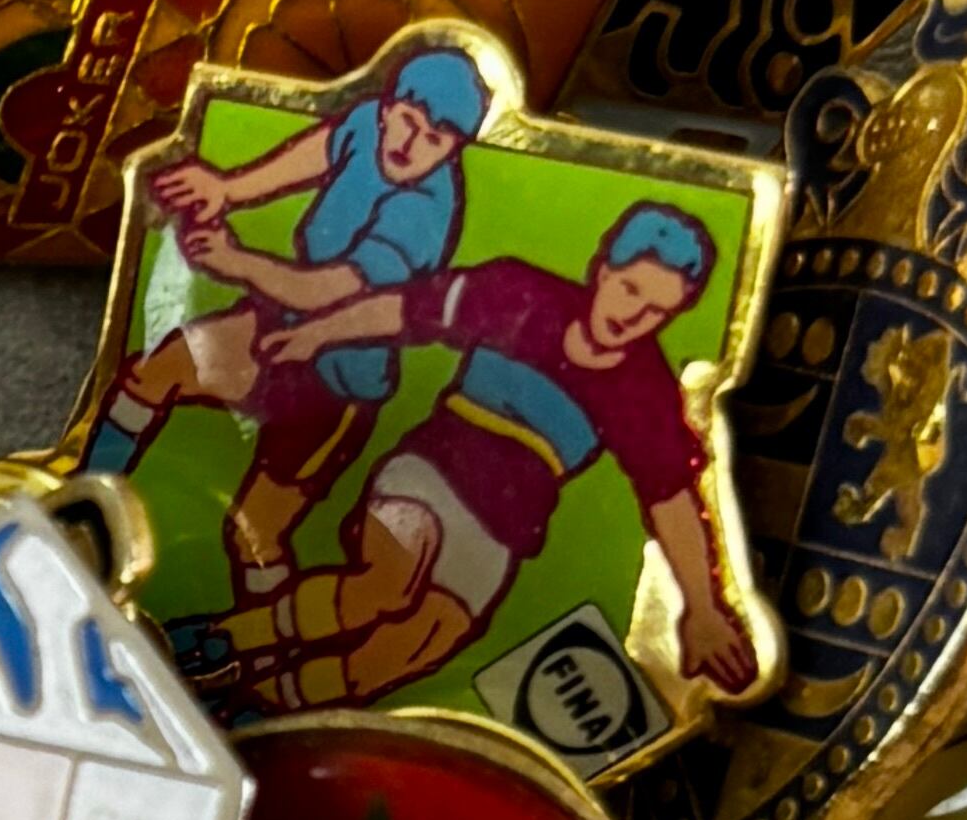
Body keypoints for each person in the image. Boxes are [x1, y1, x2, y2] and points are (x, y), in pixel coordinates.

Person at [209, 203, 759, 714]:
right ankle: (222, 643)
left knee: (413, 647)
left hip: (505, 524)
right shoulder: (521, 295)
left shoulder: (644, 391)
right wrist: (317, 334)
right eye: (630, 288)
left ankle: (270, 705)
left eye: (656, 309)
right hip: (433, 471)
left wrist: (703, 608)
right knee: (387, 583)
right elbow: (405, 310)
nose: (632, 314)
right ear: (604, 269)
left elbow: (670, 499)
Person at [84, 44, 488, 575]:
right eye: (408, 122)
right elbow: (321, 149)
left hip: (337, 385)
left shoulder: (424, 213)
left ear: (453, 149)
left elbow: (330, 292)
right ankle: (78, 509)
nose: (411, 146)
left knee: (254, 536)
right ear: (390, 107)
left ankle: (255, 622)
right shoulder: (368, 120)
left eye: (434, 140)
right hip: (278, 323)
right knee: (154, 374)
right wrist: (227, 188)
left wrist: (236, 262)